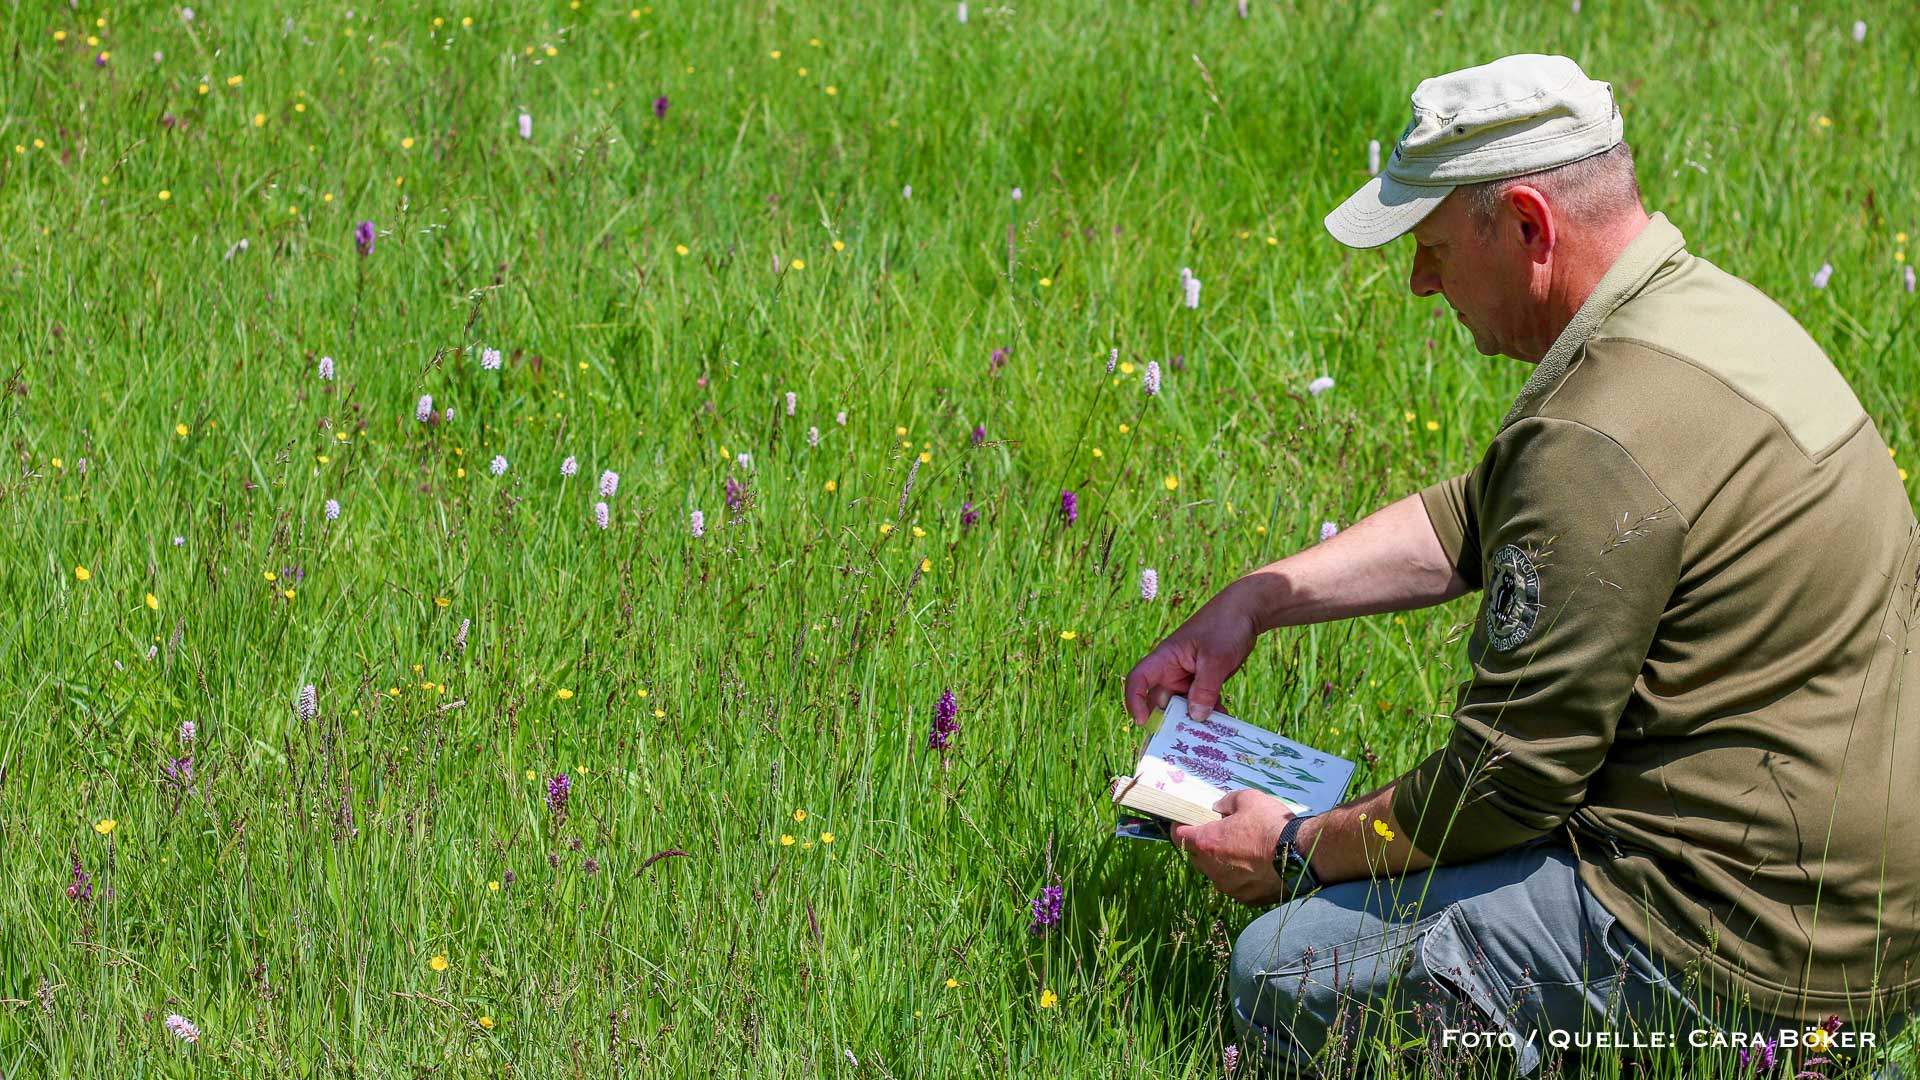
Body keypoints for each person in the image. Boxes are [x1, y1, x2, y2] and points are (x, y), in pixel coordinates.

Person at [1123, 53, 1920, 1077]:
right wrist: (1257, 601)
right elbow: (1481, 512)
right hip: (1865, 921)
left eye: (1436, 248)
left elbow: (1504, 784)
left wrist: (1291, 848)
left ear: (1532, 229)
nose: (1419, 282)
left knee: (1285, 969)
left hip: (1746, 957)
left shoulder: (1597, 439)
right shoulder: (1708, 318)